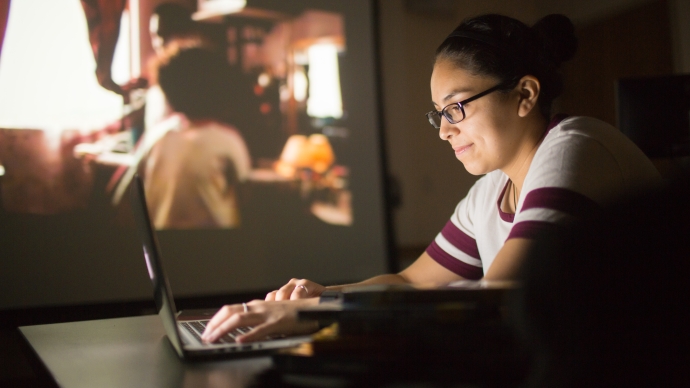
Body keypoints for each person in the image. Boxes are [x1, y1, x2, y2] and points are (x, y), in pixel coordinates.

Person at [201, 13, 661, 343]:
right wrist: (319, 297)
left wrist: (319, 317)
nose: (444, 129)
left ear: (524, 94)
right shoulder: (490, 191)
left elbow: (497, 303)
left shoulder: (572, 150)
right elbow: (413, 282)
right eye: (439, 114)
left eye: (457, 107)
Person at [143, 45, 251, 229]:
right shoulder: (227, 140)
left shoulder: (159, 136)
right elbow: (246, 199)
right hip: (211, 247)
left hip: (162, 246)